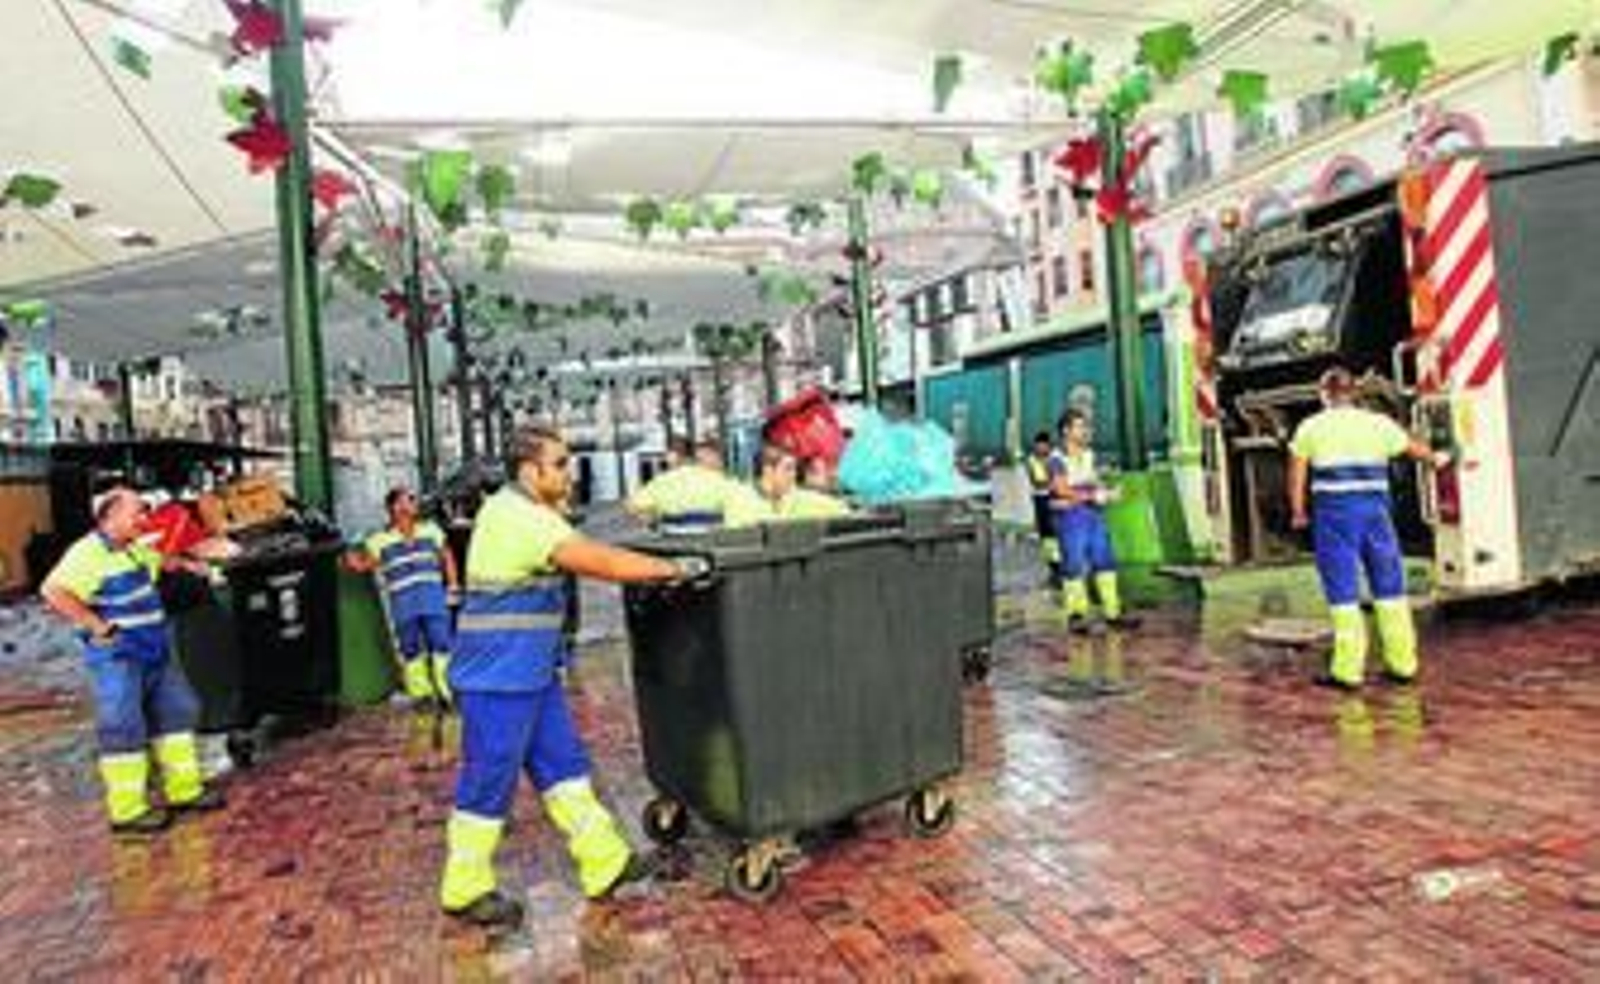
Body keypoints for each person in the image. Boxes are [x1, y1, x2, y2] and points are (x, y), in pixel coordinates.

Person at [439, 425, 703, 928]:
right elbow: (599, 560)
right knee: (488, 779)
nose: (568, 473)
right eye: (558, 464)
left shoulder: (527, 512)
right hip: (498, 679)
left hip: (527, 675)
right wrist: (674, 569)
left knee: (564, 767)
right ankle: (464, 886)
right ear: (529, 469)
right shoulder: (519, 518)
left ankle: (603, 860)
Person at [40, 487, 226, 836]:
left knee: (176, 712)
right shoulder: (87, 553)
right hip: (119, 655)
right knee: (122, 725)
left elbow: (161, 563)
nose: (143, 519)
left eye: (143, 512)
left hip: (155, 647)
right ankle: (127, 811)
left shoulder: (135, 549)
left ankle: (184, 791)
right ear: (109, 516)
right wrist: (97, 626)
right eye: (136, 513)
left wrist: (192, 564)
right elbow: (53, 591)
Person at [1288, 366, 1450, 690]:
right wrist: (1437, 458)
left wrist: (1298, 512)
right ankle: (1403, 664)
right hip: (1376, 514)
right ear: (1354, 394)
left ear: (1325, 394)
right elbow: (1413, 449)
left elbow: (1297, 473)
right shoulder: (1378, 424)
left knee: (1343, 591)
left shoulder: (1311, 427)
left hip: (1336, 518)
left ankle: (1348, 672)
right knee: (1389, 587)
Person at [346, 487, 460, 707]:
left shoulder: (431, 530)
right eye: (407, 500)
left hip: (433, 600)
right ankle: (421, 695)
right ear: (394, 507)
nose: (412, 504)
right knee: (411, 648)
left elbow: (446, 555)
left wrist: (453, 585)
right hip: (403, 605)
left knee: (442, 644)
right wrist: (350, 557)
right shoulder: (380, 540)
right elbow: (363, 565)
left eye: (412, 500)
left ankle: (447, 692)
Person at [1050, 409, 1136, 634]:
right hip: (1071, 517)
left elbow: (1094, 481)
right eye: (1079, 426)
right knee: (1074, 564)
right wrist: (1090, 496)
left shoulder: (1089, 455)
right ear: (1066, 431)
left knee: (1105, 561)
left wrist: (1107, 493)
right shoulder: (1057, 459)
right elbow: (1060, 488)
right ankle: (1076, 615)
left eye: (1085, 426)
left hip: (1093, 515)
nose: (1085, 431)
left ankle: (1113, 613)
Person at [626, 437, 746, 533]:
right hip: (714, 540)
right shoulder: (721, 480)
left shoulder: (662, 482)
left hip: (675, 541)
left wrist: (651, 521)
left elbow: (632, 506)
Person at [727, 443, 850, 527]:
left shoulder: (795, 495)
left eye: (795, 469)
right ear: (768, 470)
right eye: (788, 469)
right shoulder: (741, 499)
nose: (794, 475)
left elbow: (839, 509)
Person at [1025, 431, 1062, 586]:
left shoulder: (1056, 457)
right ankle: (1054, 569)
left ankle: (1063, 568)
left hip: (1054, 498)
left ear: (1048, 445)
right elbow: (1035, 482)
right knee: (1046, 535)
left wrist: (1050, 482)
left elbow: (1056, 480)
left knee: (1057, 532)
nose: (1040, 448)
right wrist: (1049, 482)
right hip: (1039, 500)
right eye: (1037, 445)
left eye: (1043, 445)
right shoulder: (1031, 459)